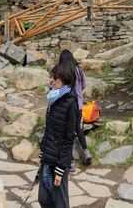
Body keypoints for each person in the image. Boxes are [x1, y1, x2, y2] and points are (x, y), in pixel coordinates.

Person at [37, 61, 79, 208]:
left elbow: (69, 138)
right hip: (47, 158)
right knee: (43, 199)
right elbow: (49, 129)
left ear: (63, 81)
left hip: (59, 163)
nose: (51, 81)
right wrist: (43, 149)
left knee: (59, 203)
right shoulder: (53, 99)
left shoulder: (70, 103)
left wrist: (61, 168)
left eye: (55, 79)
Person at [57, 49, 90, 166]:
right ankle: (86, 152)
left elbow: (58, 91)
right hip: (78, 105)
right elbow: (84, 86)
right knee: (79, 128)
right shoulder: (78, 70)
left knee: (67, 132)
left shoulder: (61, 71)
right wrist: (79, 95)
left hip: (66, 106)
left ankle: (70, 161)